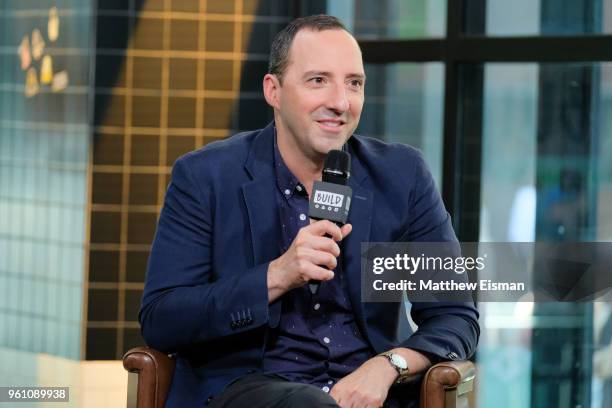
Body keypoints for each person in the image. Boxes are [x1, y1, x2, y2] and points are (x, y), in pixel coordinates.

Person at [139, 14, 479, 408]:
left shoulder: (402, 176)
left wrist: (388, 365)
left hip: (372, 394)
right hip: (251, 388)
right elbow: (162, 320)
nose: (339, 102)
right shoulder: (206, 177)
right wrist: (276, 276)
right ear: (274, 91)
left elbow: (456, 317)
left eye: (354, 84)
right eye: (318, 80)